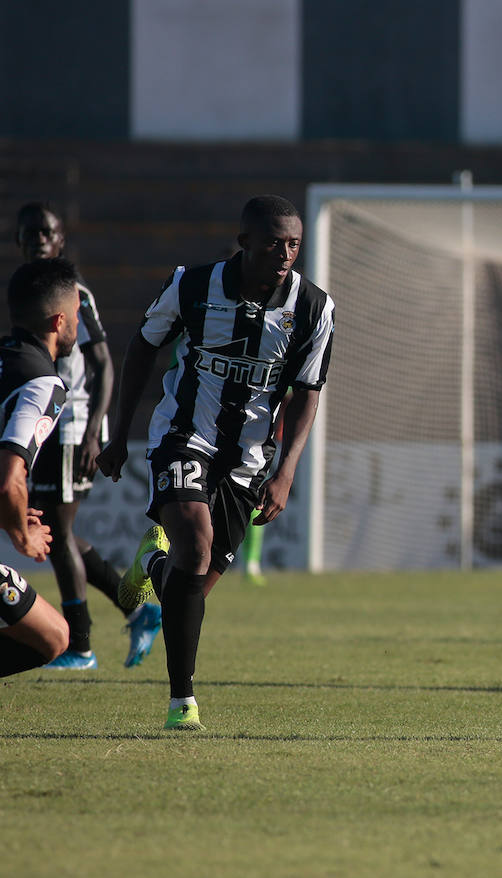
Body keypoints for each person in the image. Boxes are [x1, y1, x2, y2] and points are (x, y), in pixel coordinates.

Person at [97, 195, 335, 730]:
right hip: (185, 434)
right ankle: (183, 703)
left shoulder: (315, 308)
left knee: (191, 589)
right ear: (244, 241)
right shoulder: (191, 285)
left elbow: (307, 393)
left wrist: (287, 470)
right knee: (196, 543)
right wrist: (117, 434)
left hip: (248, 459)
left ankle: (151, 564)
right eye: (273, 241)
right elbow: (142, 347)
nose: (285, 253)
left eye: (294, 243)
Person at [15, 203, 163, 670]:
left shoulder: (75, 293)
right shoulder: (25, 292)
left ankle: (79, 645)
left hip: (69, 423)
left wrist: (95, 432)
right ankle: (138, 610)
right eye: (30, 232)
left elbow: (103, 364)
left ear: (60, 240)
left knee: (56, 530)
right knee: (60, 532)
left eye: (47, 231)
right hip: (42, 421)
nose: (39, 238)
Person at [0, 258, 80, 678]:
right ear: (59, 320)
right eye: (78, 317)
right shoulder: (42, 385)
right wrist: (20, 533)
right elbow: (8, 478)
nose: (78, 329)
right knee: (52, 638)